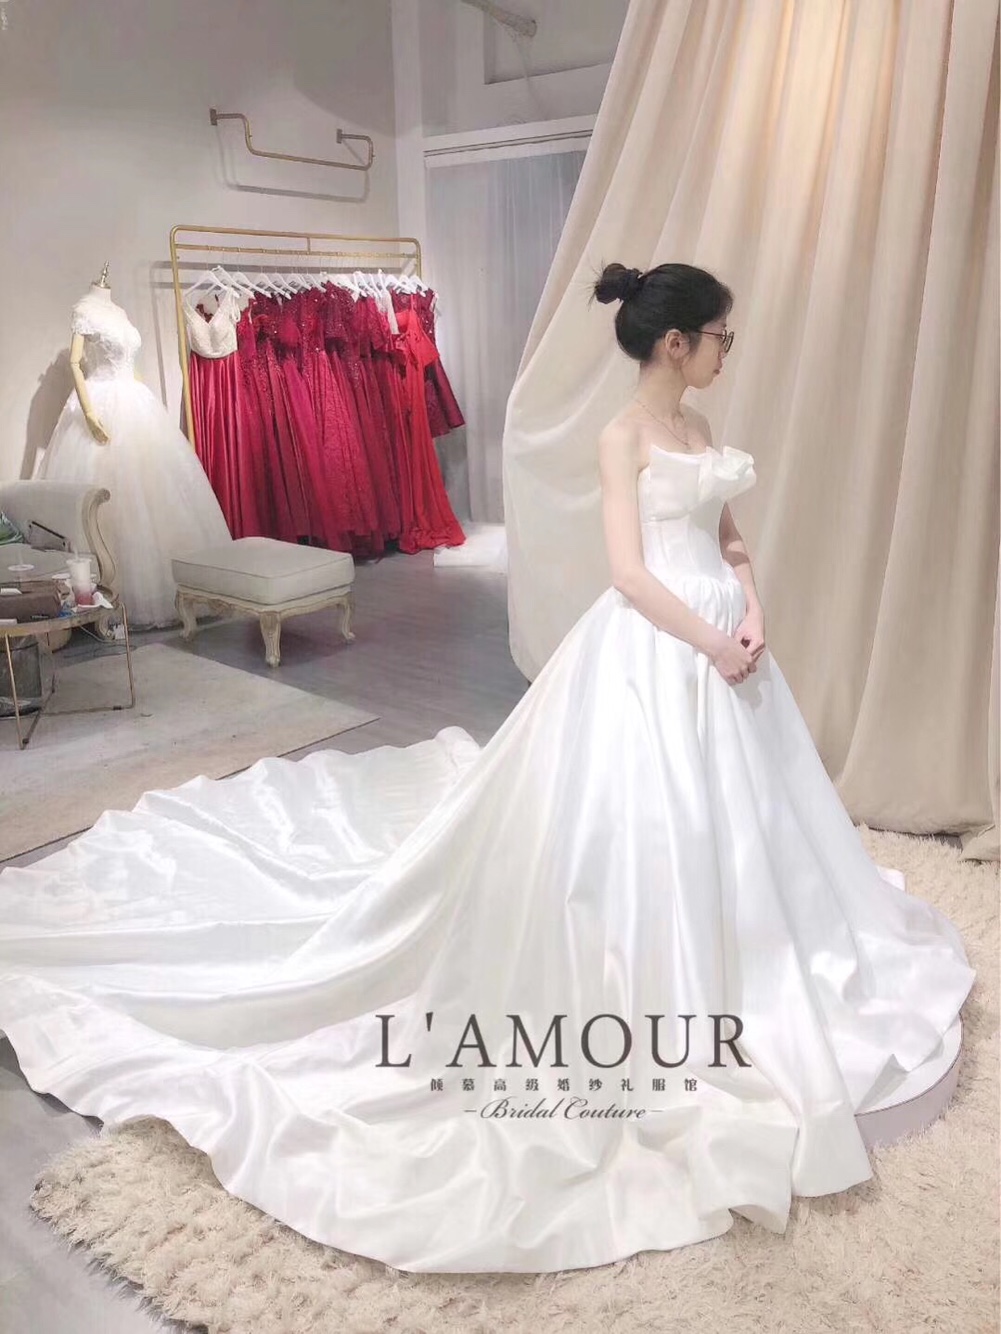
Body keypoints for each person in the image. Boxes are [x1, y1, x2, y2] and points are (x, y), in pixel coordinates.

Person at [0, 262, 975, 1275]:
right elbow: (630, 573)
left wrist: (753, 609)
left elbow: (727, 539)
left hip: (729, 651)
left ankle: (756, 953)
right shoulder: (623, 436)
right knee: (648, 827)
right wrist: (709, 643)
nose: (729, 350)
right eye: (721, 335)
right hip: (663, 649)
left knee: (754, 828)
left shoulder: (696, 426)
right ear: (674, 342)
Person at [36, 264, 231, 626]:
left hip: (135, 401)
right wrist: (90, 414)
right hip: (101, 402)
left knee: (157, 494)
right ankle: (109, 597)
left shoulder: (120, 312)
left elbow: (130, 363)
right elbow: (76, 364)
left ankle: (182, 589)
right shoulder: (84, 310)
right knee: (113, 500)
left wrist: (149, 405)